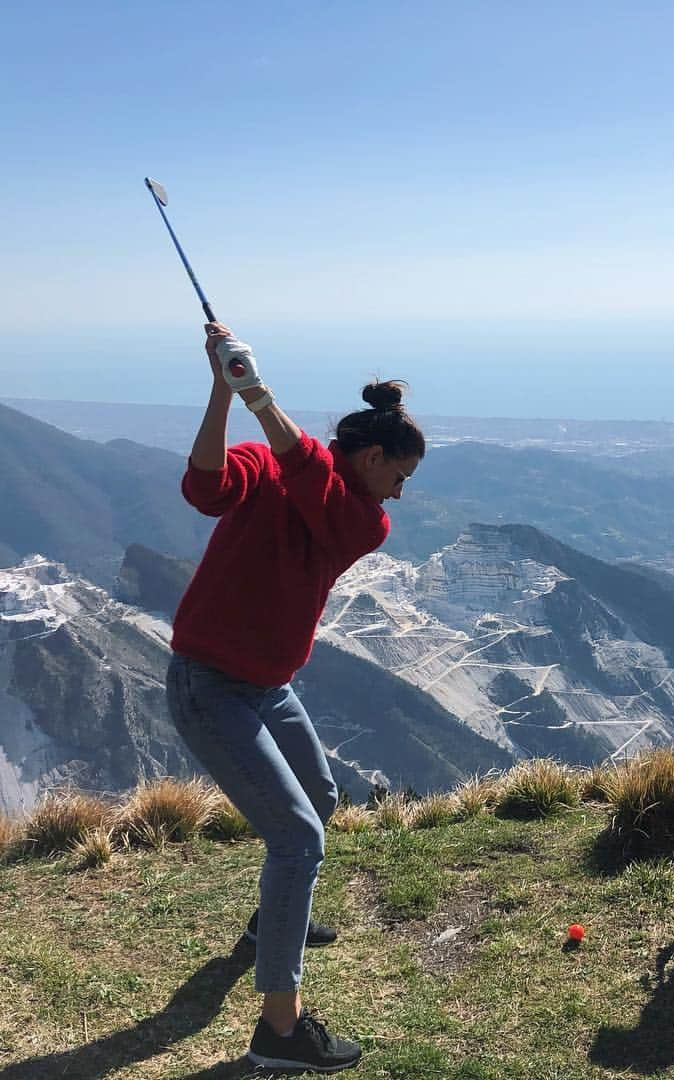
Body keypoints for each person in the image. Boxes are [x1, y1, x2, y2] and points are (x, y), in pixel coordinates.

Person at [165, 322, 425, 1072]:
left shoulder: (360, 521)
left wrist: (257, 395)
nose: (400, 496)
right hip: (209, 684)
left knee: (320, 797)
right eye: (400, 475)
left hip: (266, 686)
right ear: (373, 457)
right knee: (299, 839)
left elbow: (310, 474)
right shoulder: (281, 468)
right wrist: (226, 391)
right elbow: (206, 489)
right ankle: (281, 1031)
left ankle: (268, 925)